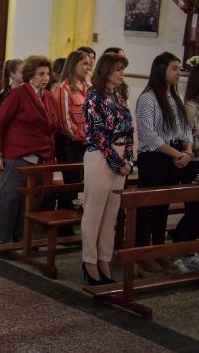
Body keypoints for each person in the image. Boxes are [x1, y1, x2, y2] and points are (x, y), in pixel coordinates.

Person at [135, 52, 192, 277]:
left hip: (174, 157)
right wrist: (176, 153)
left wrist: (187, 151)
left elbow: (185, 128)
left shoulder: (175, 96)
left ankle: (159, 250)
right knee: (147, 207)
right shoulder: (148, 97)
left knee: (163, 207)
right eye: (175, 68)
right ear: (161, 70)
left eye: (179, 68)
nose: (179, 72)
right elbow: (148, 134)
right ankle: (142, 254)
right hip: (155, 158)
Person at [0, 56, 57, 244]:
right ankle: (2, 238)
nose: (45, 78)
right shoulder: (18, 94)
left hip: (41, 157)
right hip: (17, 155)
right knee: (9, 198)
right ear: (30, 75)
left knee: (33, 200)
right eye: (41, 74)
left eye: (47, 74)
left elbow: (52, 128)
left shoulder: (49, 97)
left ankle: (21, 237)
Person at [81, 52, 133, 285]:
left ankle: (104, 259)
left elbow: (129, 130)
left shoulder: (119, 97)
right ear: (106, 71)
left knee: (111, 214)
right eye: (118, 69)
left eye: (123, 69)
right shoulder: (94, 97)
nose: (122, 73)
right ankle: (89, 261)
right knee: (94, 212)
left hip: (120, 158)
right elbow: (97, 134)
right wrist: (117, 161)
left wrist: (129, 159)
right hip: (100, 157)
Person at [176, 63, 199, 271]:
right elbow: (197, 141)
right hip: (196, 164)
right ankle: (180, 251)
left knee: (198, 210)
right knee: (193, 210)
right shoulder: (191, 106)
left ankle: (188, 249)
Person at [53, 50, 91, 234]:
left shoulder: (87, 88)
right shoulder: (63, 89)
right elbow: (64, 122)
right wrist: (84, 137)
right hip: (68, 143)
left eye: (89, 63)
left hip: (84, 142)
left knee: (78, 182)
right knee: (70, 182)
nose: (88, 67)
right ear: (73, 65)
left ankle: (70, 217)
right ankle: (62, 225)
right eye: (84, 63)